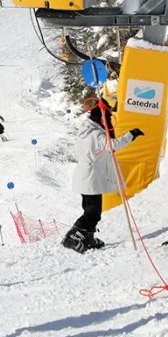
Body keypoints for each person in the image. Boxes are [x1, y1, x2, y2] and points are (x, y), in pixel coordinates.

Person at [62, 100, 143, 253]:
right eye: (108, 117)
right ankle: (72, 236)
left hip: (87, 178)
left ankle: (88, 238)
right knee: (93, 212)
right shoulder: (95, 134)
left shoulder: (87, 130)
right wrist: (131, 135)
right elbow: (113, 145)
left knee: (91, 210)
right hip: (90, 179)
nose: (111, 120)